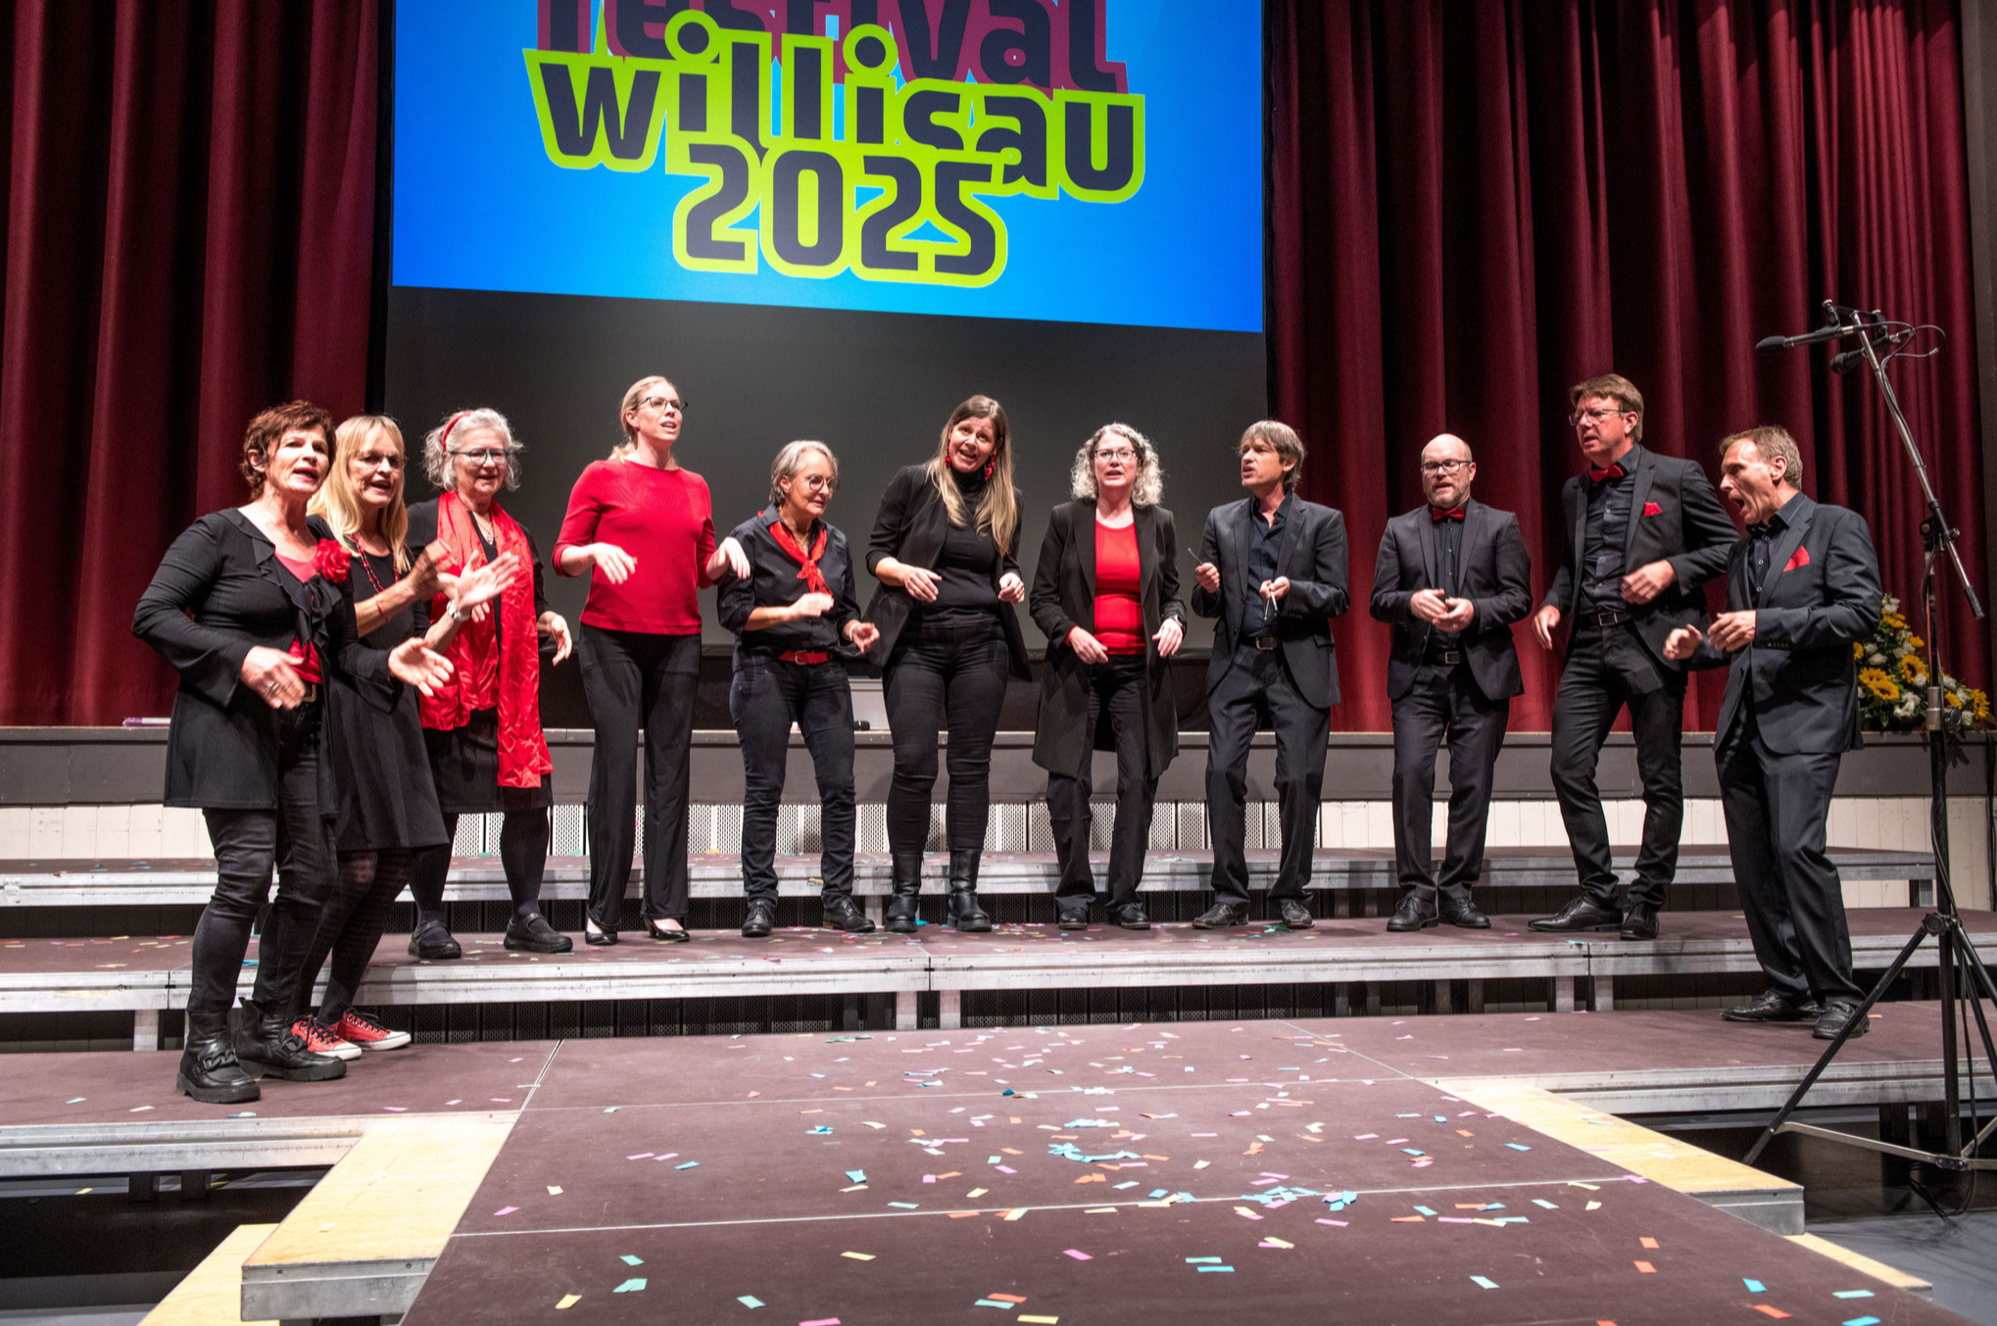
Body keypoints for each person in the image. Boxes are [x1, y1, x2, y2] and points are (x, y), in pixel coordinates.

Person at [132, 401, 452, 1104]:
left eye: (318, 448)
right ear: (260, 459)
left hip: (303, 735)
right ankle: (204, 1044)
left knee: (313, 880)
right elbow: (152, 615)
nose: (310, 456)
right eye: (294, 445)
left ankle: (269, 1028)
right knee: (246, 879)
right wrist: (241, 656)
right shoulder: (219, 534)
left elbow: (340, 650)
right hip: (230, 731)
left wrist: (389, 659)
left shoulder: (322, 544)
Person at [293, 415, 516, 1058]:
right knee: (354, 868)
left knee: (391, 865)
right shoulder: (319, 536)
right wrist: (412, 589)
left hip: (392, 710)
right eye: (370, 459)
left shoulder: (392, 547)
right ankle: (290, 1011)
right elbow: (334, 631)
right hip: (342, 714)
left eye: (393, 460)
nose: (385, 471)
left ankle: (335, 1011)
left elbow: (416, 642)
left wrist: (456, 611)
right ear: (342, 465)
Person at [1665, 426, 1882, 1039]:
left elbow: (1860, 612)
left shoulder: (1835, 526)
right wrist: (1699, 645)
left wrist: (1767, 623)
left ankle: (1839, 995)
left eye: (1736, 471)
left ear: (1778, 466)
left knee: (1797, 852)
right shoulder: (1743, 551)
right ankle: (1788, 985)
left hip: (1805, 721)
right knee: (1755, 864)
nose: (1724, 485)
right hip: (1744, 727)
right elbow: (1741, 638)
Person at [1528, 373, 1736, 941]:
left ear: (1630, 419)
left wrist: (1671, 568)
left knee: (1659, 778)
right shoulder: (1575, 490)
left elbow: (1728, 546)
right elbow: (1572, 564)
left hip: (1650, 642)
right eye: (1578, 417)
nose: (1584, 424)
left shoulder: (1676, 476)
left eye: (1595, 413)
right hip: (1589, 645)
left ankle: (1646, 897)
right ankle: (1599, 893)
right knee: (1568, 766)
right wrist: (1553, 603)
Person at [404, 408, 576, 957]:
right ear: (448, 460)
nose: (487, 463)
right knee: (439, 809)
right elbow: (407, 601)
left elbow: (532, 601)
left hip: (512, 699)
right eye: (475, 453)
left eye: (497, 453)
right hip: (446, 688)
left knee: (530, 805)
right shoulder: (421, 521)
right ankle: (428, 921)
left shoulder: (517, 533)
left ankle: (525, 915)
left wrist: (549, 619)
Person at [554, 376, 717, 945]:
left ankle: (665, 906)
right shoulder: (602, 475)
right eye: (659, 403)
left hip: (679, 638)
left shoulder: (695, 486)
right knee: (617, 767)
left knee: (671, 773)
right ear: (632, 416)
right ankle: (604, 908)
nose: (671, 411)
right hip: (612, 638)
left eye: (677, 404)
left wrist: (730, 554)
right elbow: (563, 556)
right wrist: (594, 550)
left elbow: (703, 570)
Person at [865, 395, 1032, 933]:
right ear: (950, 430)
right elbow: (875, 554)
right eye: (965, 430)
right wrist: (903, 572)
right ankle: (905, 893)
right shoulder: (914, 482)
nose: (971, 442)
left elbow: (1005, 564)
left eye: (983, 437)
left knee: (970, 767)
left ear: (995, 448)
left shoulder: (1008, 500)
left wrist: (1012, 579)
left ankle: (964, 894)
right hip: (917, 642)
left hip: (983, 644)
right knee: (914, 763)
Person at [715, 442, 882, 937]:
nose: (824, 491)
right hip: (766, 668)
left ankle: (838, 899)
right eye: (814, 481)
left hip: (825, 672)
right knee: (765, 788)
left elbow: (844, 609)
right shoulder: (749, 537)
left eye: (830, 483)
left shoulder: (836, 542)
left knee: (840, 787)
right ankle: (761, 901)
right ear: (784, 483)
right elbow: (732, 614)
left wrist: (853, 629)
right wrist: (791, 611)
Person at [1370, 434, 1532, 932]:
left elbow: (1519, 597)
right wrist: (1409, 602)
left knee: (1473, 784)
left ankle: (1458, 889)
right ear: (1421, 474)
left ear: (1471, 470)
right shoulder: (1399, 529)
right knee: (1411, 777)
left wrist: (1475, 611)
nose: (1440, 473)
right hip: (1418, 675)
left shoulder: (1501, 525)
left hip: (1478, 675)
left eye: (1450, 464)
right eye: (1431, 466)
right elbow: (1379, 600)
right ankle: (1417, 893)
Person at [1191, 420, 1348, 930]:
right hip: (1238, 662)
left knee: (1298, 778)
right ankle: (1229, 895)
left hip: (1295, 661)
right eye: (1244, 449)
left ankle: (1291, 891)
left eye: (1259, 450)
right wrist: (1208, 588)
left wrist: (1293, 590)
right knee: (1221, 773)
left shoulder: (1323, 521)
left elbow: (1338, 596)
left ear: (1288, 462)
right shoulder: (1222, 520)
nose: (1247, 457)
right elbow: (1205, 604)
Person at [1029, 424, 1185, 930]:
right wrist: (1072, 632)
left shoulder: (1159, 522)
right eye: (1104, 453)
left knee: (1139, 780)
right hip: (1077, 669)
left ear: (1139, 464)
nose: (1114, 460)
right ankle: (1075, 895)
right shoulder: (1065, 519)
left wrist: (1175, 621)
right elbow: (1042, 599)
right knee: (1068, 782)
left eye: (1124, 453)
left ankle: (1124, 897)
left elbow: (1173, 594)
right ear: (1091, 464)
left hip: (1137, 671)